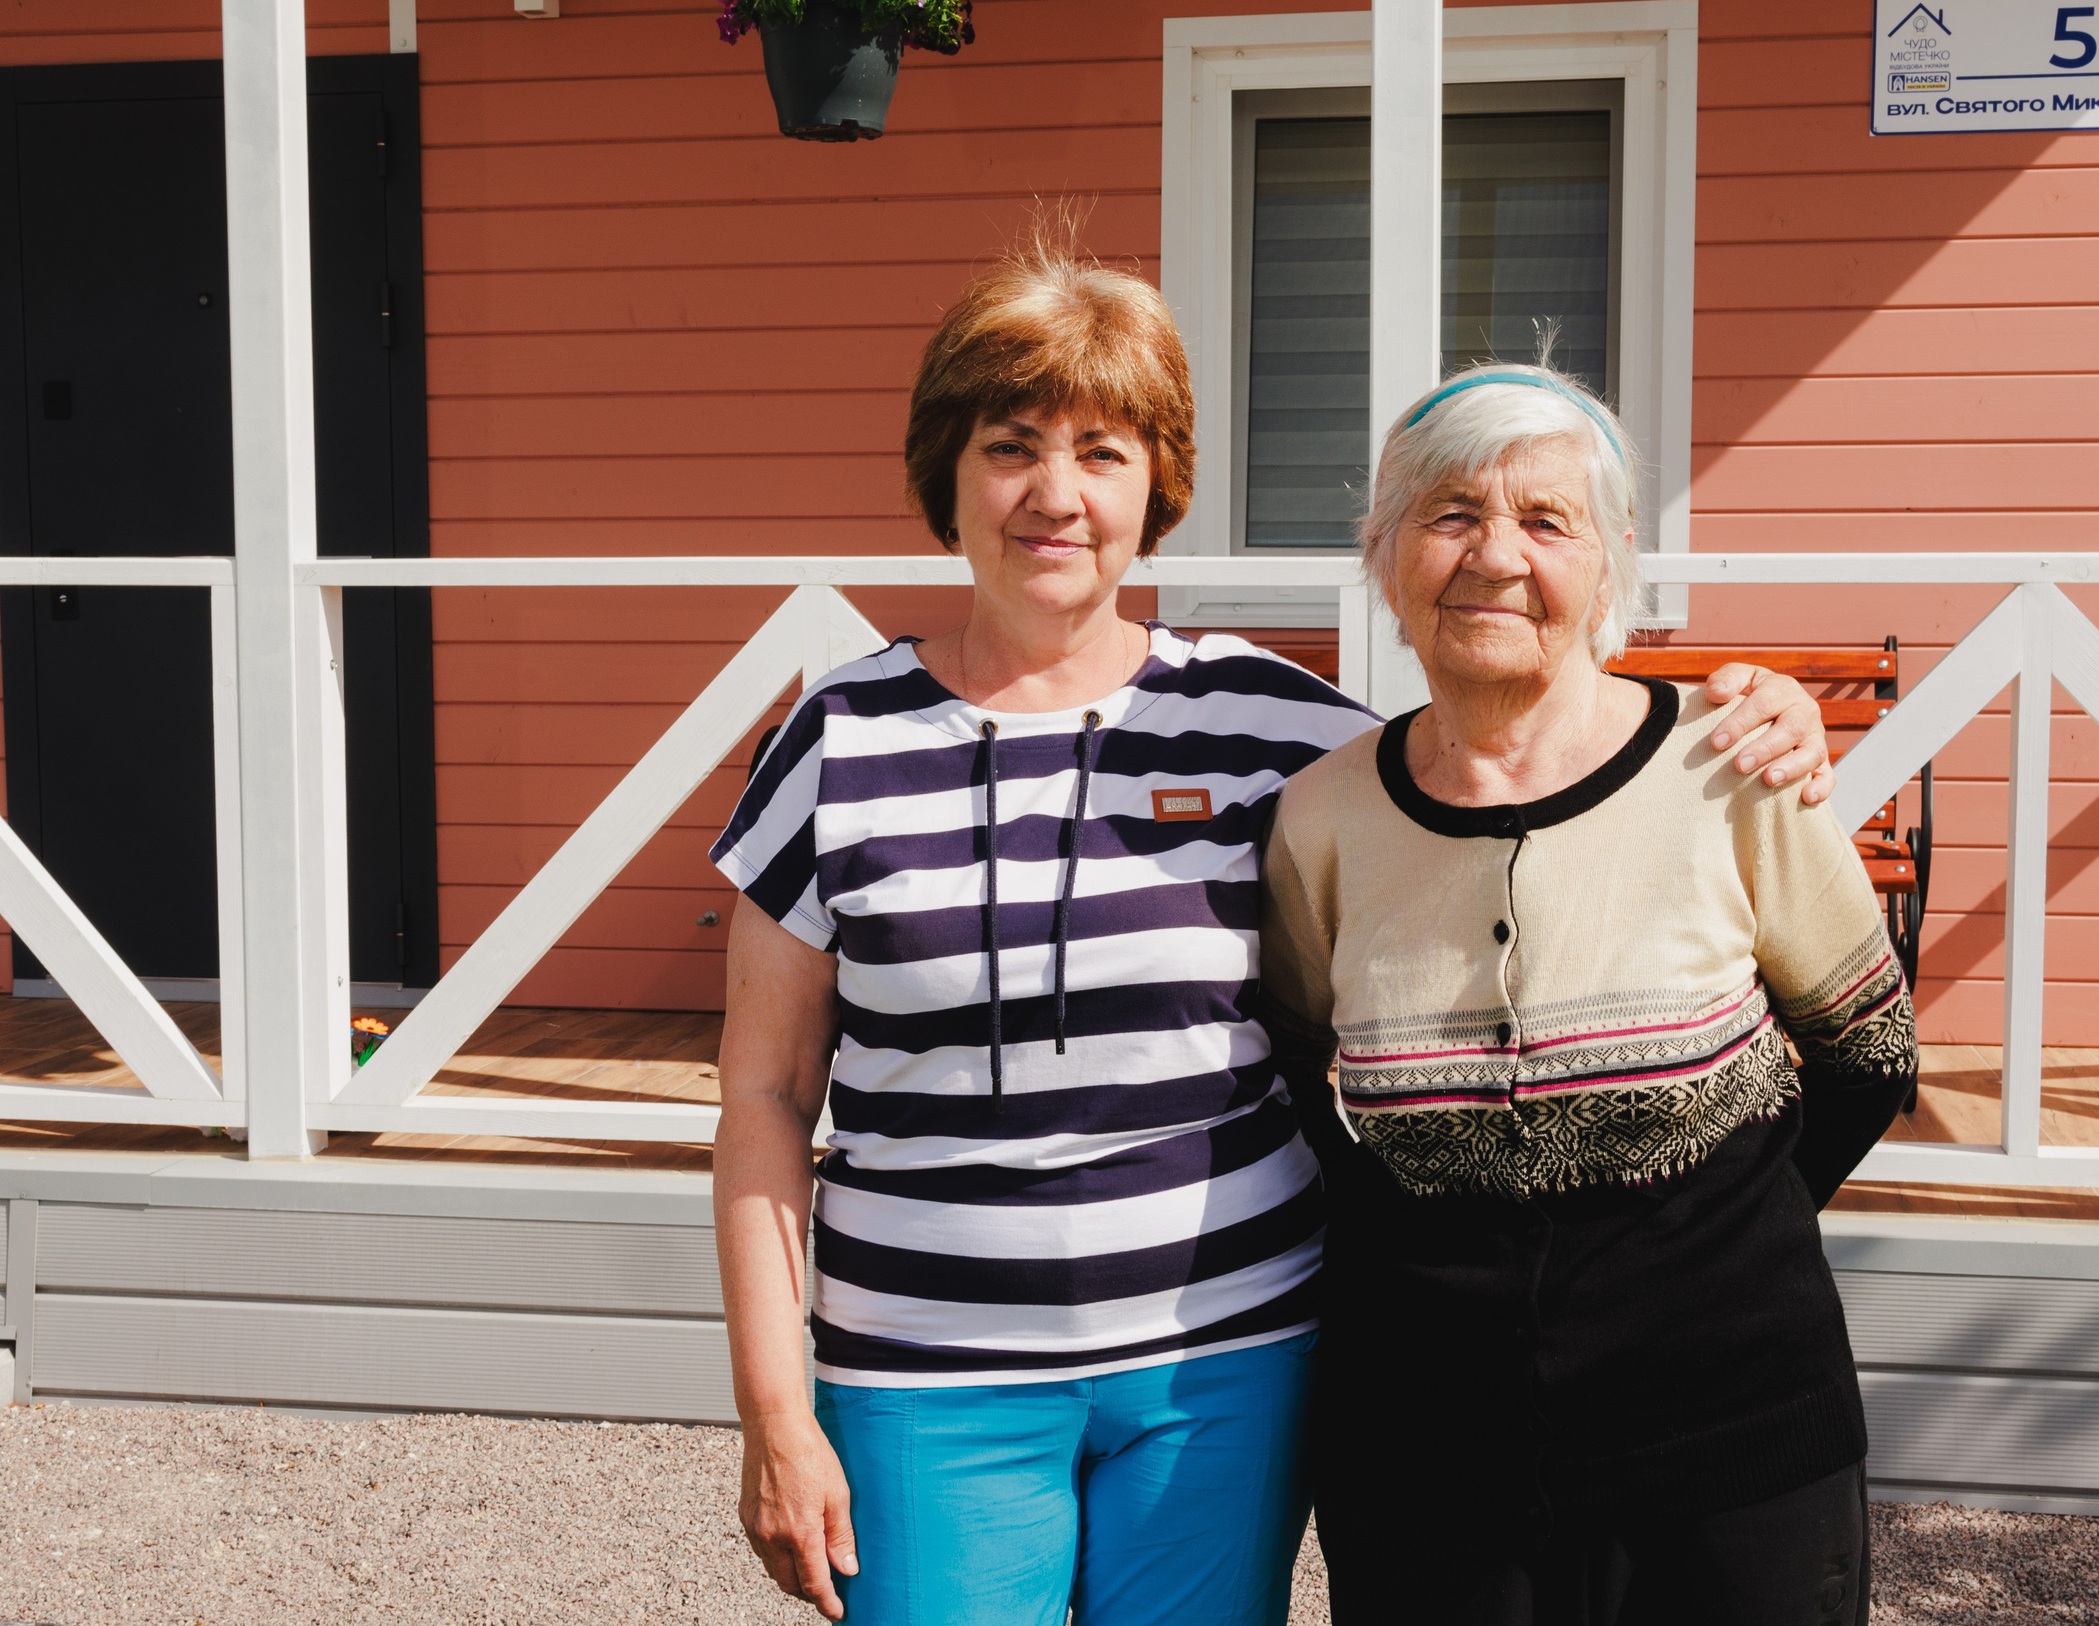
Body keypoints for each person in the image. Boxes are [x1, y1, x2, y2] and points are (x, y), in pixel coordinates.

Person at [706, 248, 1842, 1626]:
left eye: (1103, 453)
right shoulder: (835, 744)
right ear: (945, 475)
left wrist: (1743, 710)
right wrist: (773, 1409)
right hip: (923, 1372)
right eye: (1009, 447)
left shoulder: (1276, 730)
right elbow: (764, 1095)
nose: (1056, 493)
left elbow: (1504, 748)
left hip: (1222, 1369)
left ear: (1155, 491)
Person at [1260, 362, 1918, 1626]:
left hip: (1735, 1438)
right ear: (1384, 554)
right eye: (1450, 513)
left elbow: (1869, 1053)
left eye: (1545, 520)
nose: (1494, 556)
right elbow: (1293, 1074)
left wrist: (1713, 1237)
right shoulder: (1320, 818)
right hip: (1425, 1455)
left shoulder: (1727, 768)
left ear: (1610, 565)